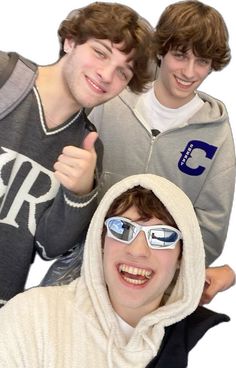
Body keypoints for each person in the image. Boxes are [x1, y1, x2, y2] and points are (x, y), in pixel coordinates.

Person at [42, 0, 236, 302]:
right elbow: (62, 172)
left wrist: (167, 266)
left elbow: (211, 228)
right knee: (34, 328)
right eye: (180, 55)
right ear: (161, 51)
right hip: (84, 258)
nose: (189, 71)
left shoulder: (216, 134)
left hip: (153, 274)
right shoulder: (110, 97)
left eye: (203, 62)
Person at [0, 1, 154, 307]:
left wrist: (80, 193)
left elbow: (48, 246)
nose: (107, 75)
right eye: (100, 52)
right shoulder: (5, 77)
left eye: (123, 72)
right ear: (70, 41)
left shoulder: (89, 146)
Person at [0, 174, 230, 367]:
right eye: (122, 228)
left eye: (161, 236)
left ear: (183, 255)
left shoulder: (209, 342)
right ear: (100, 241)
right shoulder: (32, 317)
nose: (138, 250)